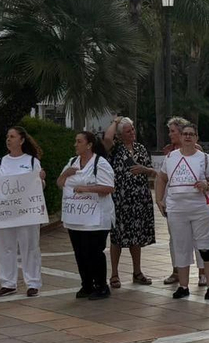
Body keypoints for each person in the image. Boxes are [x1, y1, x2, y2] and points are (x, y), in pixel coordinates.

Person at [156, 121, 209, 299]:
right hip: (177, 209)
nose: (187, 137)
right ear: (181, 136)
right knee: (180, 247)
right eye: (185, 134)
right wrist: (159, 199)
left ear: (196, 138)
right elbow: (161, 178)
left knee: (206, 247)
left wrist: (207, 185)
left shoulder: (203, 158)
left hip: (201, 208)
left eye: (191, 134)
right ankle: (183, 286)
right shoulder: (171, 157)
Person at [0, 126, 46, 297]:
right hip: (5, 212)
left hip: (27, 211)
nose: (8, 139)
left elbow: (39, 186)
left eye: (12, 136)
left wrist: (41, 180)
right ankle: (8, 283)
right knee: (5, 246)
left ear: (21, 140)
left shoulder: (32, 161)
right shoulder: (1, 162)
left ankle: (33, 282)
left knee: (30, 247)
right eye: (7, 136)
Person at [60, 129, 116, 299]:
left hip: (96, 218)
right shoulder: (72, 162)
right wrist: (66, 174)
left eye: (79, 141)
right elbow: (60, 183)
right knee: (80, 252)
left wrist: (86, 189)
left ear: (89, 145)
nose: (75, 145)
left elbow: (109, 188)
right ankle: (86, 284)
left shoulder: (100, 163)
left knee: (94, 252)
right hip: (75, 218)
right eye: (75, 141)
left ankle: (101, 286)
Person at [103, 116, 155, 288]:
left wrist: (144, 169)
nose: (132, 133)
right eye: (128, 131)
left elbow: (151, 171)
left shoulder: (140, 148)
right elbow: (107, 138)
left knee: (136, 236)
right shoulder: (115, 148)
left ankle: (137, 271)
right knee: (117, 237)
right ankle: (114, 274)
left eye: (132, 129)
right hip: (121, 199)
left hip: (140, 198)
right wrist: (116, 121)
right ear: (120, 135)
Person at [159, 116, 207, 287]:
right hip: (175, 202)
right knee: (176, 239)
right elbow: (162, 176)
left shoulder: (196, 150)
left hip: (195, 203)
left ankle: (203, 272)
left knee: (198, 238)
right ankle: (177, 271)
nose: (170, 134)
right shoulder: (169, 152)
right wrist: (159, 199)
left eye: (172, 131)